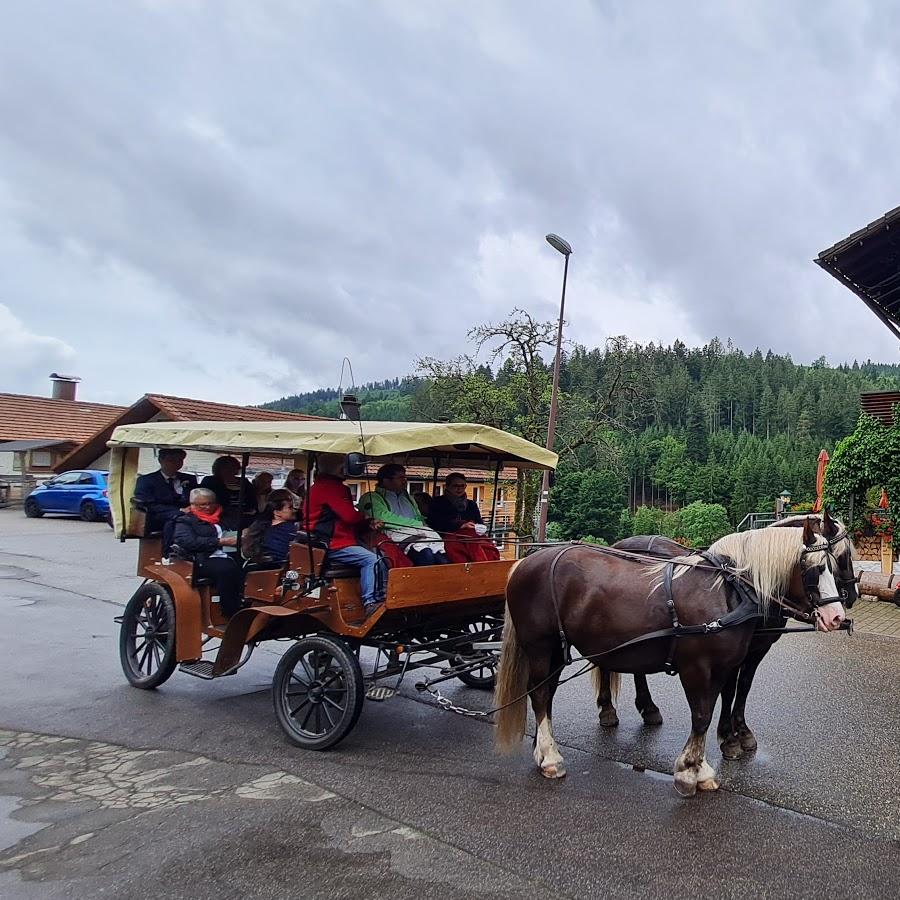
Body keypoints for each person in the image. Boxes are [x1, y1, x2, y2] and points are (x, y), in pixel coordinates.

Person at [305, 454, 387, 614]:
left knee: (379, 553)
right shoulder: (332, 487)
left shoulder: (321, 486)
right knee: (373, 560)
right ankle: (371, 601)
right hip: (332, 543)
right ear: (342, 468)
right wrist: (367, 518)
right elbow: (349, 516)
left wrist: (365, 522)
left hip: (335, 539)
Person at [171, 488, 244, 617]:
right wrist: (219, 542)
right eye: (203, 504)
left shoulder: (225, 517)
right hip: (202, 558)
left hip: (231, 554)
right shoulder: (185, 521)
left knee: (253, 567)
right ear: (193, 505)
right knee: (226, 569)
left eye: (210, 503)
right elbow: (188, 542)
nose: (207, 507)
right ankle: (230, 610)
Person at [358, 464, 450, 565]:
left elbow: (418, 517)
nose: (405, 480)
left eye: (405, 477)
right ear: (386, 480)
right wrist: (417, 524)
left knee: (443, 560)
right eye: (401, 478)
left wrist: (423, 524)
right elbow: (383, 518)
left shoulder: (408, 497)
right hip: (394, 535)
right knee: (426, 556)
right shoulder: (371, 497)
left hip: (421, 532)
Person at [427, 473, 500, 563]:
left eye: (462, 486)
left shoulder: (471, 504)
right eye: (455, 486)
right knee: (456, 550)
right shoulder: (438, 503)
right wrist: (461, 525)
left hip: (471, 536)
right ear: (447, 486)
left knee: (488, 548)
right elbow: (435, 523)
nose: (459, 489)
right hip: (448, 536)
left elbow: (479, 522)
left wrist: (477, 527)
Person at [133, 449, 198, 533]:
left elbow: (196, 496)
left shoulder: (189, 478)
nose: (176, 463)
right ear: (161, 460)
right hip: (160, 516)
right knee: (176, 520)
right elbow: (149, 504)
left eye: (180, 460)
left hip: (189, 514)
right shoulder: (146, 480)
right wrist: (180, 511)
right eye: (171, 460)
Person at [200, 456, 257, 531]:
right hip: (222, 516)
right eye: (226, 468)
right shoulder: (211, 481)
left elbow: (252, 498)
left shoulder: (244, 481)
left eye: (232, 467)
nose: (229, 470)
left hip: (245, 515)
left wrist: (251, 509)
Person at [242, 489, 298, 564]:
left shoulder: (259, 526)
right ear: (277, 512)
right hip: (281, 568)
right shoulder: (289, 529)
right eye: (290, 507)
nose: (294, 510)